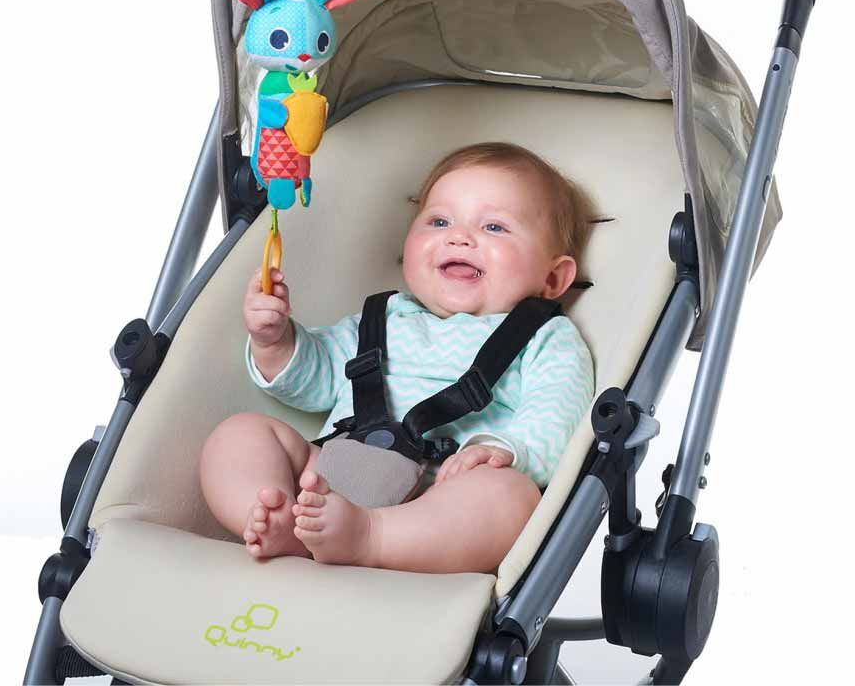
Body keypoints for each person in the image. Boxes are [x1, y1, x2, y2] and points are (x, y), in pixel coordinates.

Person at [199, 143, 595, 575]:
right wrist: (275, 342)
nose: (459, 237)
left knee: (511, 497)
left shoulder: (546, 338)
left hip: (439, 497)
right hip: (331, 477)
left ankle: (371, 538)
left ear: (553, 278)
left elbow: (557, 414)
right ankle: (273, 515)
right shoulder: (381, 318)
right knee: (239, 435)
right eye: (439, 221)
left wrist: (502, 450)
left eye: (494, 227)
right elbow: (317, 379)